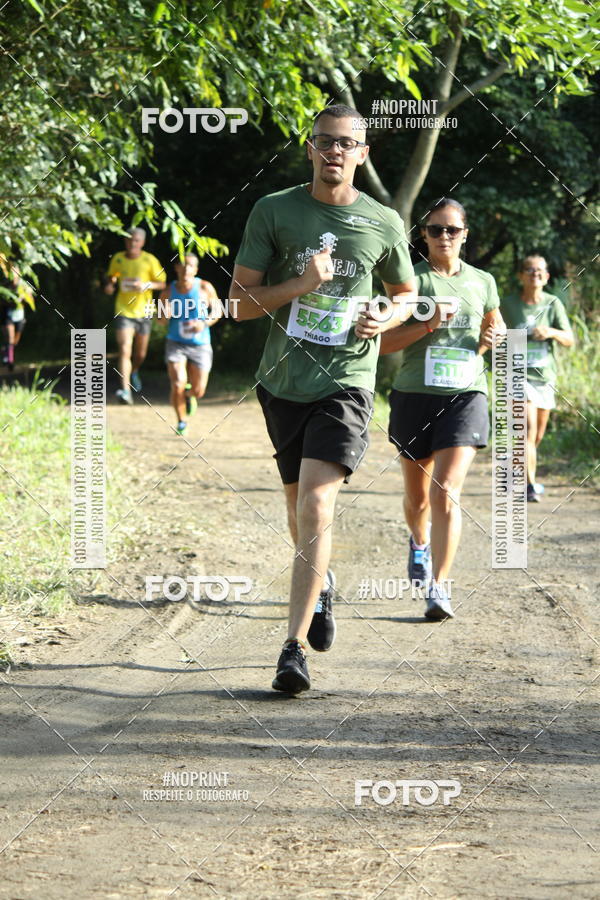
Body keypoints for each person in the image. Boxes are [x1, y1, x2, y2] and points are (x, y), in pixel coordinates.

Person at [231, 104, 416, 694]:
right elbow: (239, 303)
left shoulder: (383, 222)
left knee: (315, 503)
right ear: (310, 148)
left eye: (347, 144)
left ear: (363, 153)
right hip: (281, 382)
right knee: (297, 512)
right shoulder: (274, 210)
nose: (335, 151)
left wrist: (385, 315)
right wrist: (303, 286)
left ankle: (291, 650)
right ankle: (323, 579)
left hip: (347, 381)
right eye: (325, 142)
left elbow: (407, 293)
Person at [380, 198, 505, 621]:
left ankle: (439, 586)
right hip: (414, 394)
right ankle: (418, 541)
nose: (445, 237)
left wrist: (495, 336)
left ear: (465, 234)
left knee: (446, 491)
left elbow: (493, 329)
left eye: (452, 229)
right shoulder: (409, 283)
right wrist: (428, 324)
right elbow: (382, 345)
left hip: (466, 395)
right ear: (424, 235)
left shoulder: (483, 281)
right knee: (417, 499)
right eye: (436, 230)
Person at [500, 255, 574, 502]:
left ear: (547, 276)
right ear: (521, 276)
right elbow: (494, 336)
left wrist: (550, 332)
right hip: (517, 377)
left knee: (537, 436)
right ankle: (528, 485)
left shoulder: (553, 304)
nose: (535, 274)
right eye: (529, 270)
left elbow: (570, 339)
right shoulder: (507, 305)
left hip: (544, 378)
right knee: (526, 431)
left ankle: (512, 471)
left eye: (540, 270)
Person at [157, 253, 221, 434]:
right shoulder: (168, 292)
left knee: (199, 391)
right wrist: (165, 314)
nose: (186, 269)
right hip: (175, 343)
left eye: (190, 266)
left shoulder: (204, 287)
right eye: (183, 265)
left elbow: (217, 311)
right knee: (177, 383)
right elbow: (160, 321)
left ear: (196, 270)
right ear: (176, 268)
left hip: (200, 344)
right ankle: (181, 421)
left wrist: (204, 323)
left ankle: (189, 395)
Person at [104, 227, 166, 404]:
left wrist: (146, 285)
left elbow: (162, 284)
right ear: (125, 240)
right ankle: (125, 391)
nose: (133, 243)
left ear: (142, 242)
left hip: (145, 311)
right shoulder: (118, 258)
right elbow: (112, 277)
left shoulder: (150, 260)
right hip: (123, 310)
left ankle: (134, 370)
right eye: (130, 239)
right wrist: (110, 285)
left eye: (136, 240)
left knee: (140, 354)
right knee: (124, 349)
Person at [0, 261, 34, 371]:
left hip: (19, 315)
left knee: (15, 341)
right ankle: (10, 361)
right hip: (7, 314)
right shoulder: (5, 286)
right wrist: (9, 303)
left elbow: (31, 300)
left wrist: (23, 298)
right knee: (9, 338)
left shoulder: (24, 286)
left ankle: (6, 351)